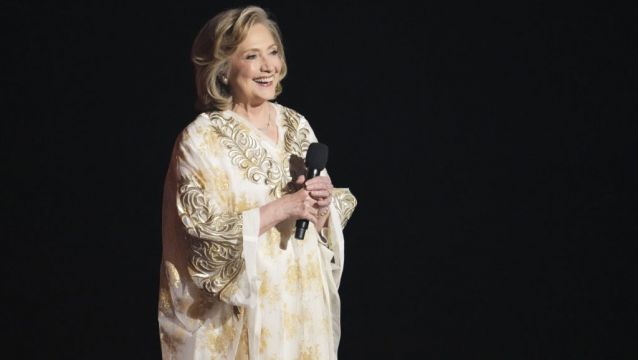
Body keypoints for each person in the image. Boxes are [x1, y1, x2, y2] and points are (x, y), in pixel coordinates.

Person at [157, 5, 357, 359]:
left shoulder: (297, 125)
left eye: (273, 52)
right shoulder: (202, 140)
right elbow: (203, 238)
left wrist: (321, 207)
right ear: (223, 68)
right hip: (249, 314)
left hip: (302, 303)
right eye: (252, 56)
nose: (268, 66)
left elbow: (321, 224)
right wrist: (284, 207)